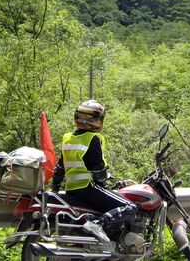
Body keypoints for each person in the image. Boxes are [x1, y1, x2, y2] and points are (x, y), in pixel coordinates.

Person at [51, 99, 138, 242]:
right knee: (130, 207)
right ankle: (97, 225)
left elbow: (60, 166)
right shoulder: (93, 138)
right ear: (96, 120)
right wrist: (107, 182)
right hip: (88, 187)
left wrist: (55, 187)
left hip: (71, 190)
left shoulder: (67, 138)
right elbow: (99, 170)